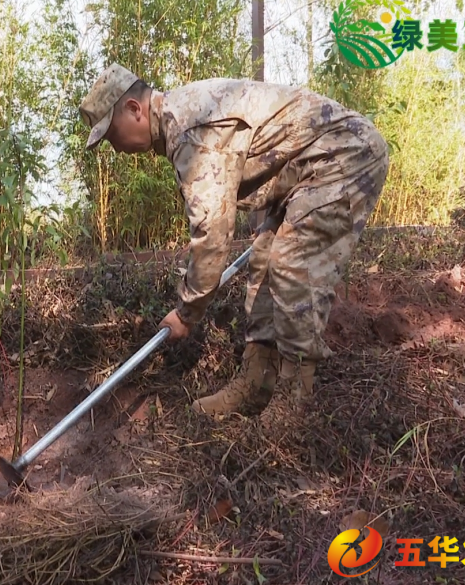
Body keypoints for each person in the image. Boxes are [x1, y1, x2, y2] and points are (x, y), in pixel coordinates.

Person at [78, 64, 389, 418]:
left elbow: (212, 234)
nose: (115, 148)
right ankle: (256, 382)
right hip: (302, 171)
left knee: (291, 265)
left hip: (345, 154)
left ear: (134, 109)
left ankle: (294, 401)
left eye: (111, 134)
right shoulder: (181, 120)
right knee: (263, 264)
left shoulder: (190, 128)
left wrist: (186, 312)